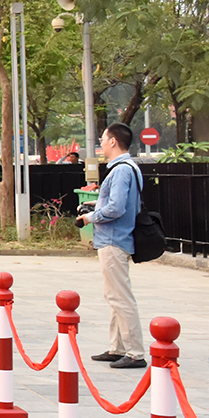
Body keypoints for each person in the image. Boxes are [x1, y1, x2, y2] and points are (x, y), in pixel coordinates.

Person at [78, 123, 146, 369]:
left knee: (120, 297)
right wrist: (95, 207)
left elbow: (116, 208)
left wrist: (89, 217)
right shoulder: (129, 168)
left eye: (103, 139)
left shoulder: (120, 171)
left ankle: (135, 352)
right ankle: (118, 348)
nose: (101, 143)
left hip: (114, 239)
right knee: (115, 296)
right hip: (118, 238)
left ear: (114, 141)